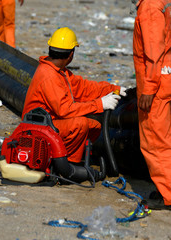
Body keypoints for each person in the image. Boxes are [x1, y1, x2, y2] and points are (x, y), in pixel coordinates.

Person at [22, 27, 126, 165]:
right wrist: (99, 104)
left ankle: (67, 158)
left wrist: (115, 89)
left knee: (94, 126)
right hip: (37, 129)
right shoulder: (48, 76)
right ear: (71, 54)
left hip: (48, 124)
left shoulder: (60, 72)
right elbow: (64, 110)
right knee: (79, 124)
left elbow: (84, 88)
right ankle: (65, 165)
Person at [132, 0, 171, 210]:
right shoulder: (164, 1)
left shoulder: (149, 7)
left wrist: (148, 87)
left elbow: (153, 50)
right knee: (167, 137)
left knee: (155, 141)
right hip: (169, 72)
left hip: (157, 79)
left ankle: (168, 196)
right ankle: (168, 188)